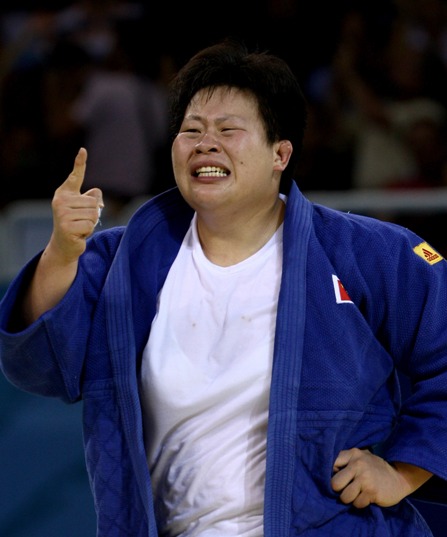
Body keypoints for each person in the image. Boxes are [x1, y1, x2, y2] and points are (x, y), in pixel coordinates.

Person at [0, 38, 447, 537]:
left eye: (228, 130)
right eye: (191, 130)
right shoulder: (124, 261)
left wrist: (403, 472)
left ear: (280, 153)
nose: (205, 143)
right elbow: (38, 366)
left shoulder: (368, 253)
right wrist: (61, 251)